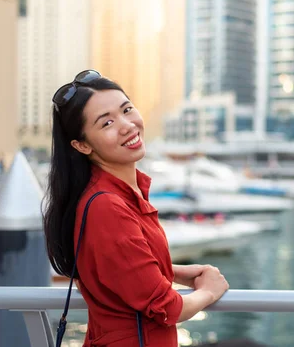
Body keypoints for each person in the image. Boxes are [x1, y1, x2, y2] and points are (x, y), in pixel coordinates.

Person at [43, 70, 229, 346]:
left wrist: (172, 271)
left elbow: (116, 269)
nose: (127, 125)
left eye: (126, 110)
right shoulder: (107, 206)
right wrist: (209, 292)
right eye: (106, 123)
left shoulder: (117, 194)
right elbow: (168, 309)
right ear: (81, 145)